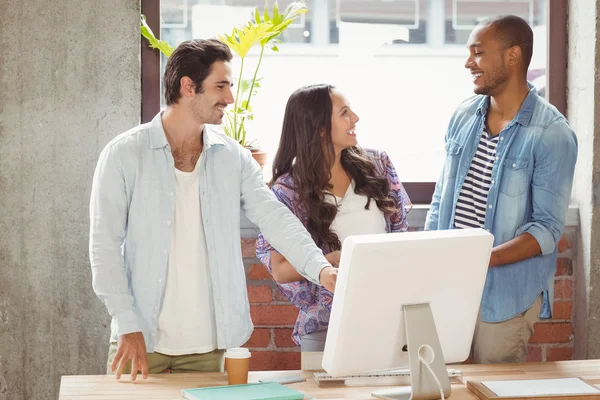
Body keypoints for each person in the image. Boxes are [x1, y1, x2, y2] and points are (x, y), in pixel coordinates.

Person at [89, 39, 338, 380]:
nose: (230, 98)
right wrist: (126, 322)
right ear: (188, 87)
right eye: (220, 86)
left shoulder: (233, 157)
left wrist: (321, 270)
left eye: (230, 86)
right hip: (140, 341)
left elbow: (275, 217)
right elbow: (104, 245)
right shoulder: (124, 154)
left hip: (211, 347)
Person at [424, 15, 577, 364]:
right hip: (449, 288)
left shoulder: (552, 133)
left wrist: (480, 259)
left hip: (505, 297)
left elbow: (546, 230)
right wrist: (431, 265)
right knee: (442, 386)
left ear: (513, 57)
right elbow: (440, 201)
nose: (468, 63)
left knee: (491, 389)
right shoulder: (463, 116)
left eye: (478, 53)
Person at [256, 84, 412, 351]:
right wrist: (329, 262)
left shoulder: (378, 164)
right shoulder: (287, 190)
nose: (355, 118)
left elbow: (400, 234)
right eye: (344, 113)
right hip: (326, 324)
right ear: (320, 128)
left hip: (388, 314)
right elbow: (280, 270)